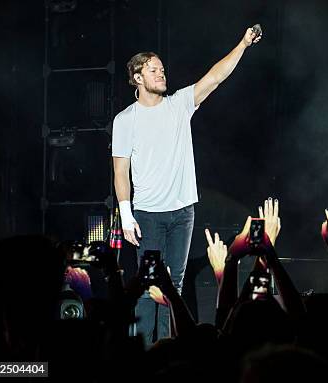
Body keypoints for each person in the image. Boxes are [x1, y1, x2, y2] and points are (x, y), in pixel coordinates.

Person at [111, 26, 262, 347]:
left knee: (173, 288)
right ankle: (140, 351)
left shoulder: (179, 104)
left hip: (182, 213)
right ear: (137, 77)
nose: (161, 74)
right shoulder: (125, 120)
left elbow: (214, 78)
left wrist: (244, 44)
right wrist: (126, 215)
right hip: (148, 215)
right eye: (154, 70)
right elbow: (120, 172)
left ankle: (165, 350)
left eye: (162, 69)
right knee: (147, 287)